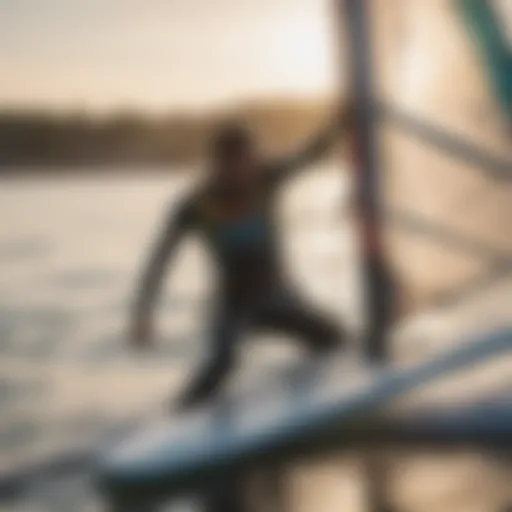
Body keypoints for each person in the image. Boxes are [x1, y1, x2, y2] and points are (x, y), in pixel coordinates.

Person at [130, 111, 350, 411]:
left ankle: (305, 392)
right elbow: (160, 259)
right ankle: (178, 418)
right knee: (222, 365)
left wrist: (343, 121)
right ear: (218, 165)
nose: (243, 171)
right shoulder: (196, 205)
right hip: (232, 307)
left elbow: (310, 156)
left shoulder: (268, 177)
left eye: (249, 160)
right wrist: (143, 312)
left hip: (275, 298)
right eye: (234, 165)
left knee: (333, 339)